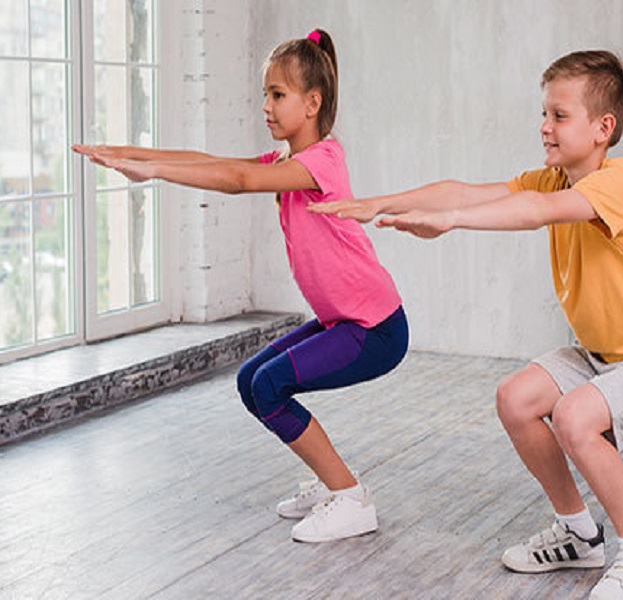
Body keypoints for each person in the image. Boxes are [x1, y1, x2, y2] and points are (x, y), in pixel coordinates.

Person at [309, 50, 623, 598]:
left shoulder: (616, 181)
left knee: (572, 417)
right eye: (544, 114)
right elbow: (467, 191)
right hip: (600, 355)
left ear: (602, 128)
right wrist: (376, 202)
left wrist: (452, 223)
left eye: (559, 116)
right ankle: (577, 532)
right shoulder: (552, 177)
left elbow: (534, 213)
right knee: (516, 398)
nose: (545, 126)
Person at [73, 29, 408, 544]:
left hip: (375, 327)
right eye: (264, 95)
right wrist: (129, 156)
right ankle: (333, 483)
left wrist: (153, 171)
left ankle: (349, 498)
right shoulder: (288, 163)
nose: (266, 107)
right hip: (344, 320)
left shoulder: (322, 162)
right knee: (253, 379)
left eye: (277, 95)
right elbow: (211, 162)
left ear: (312, 102)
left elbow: (237, 181)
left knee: (269, 387)